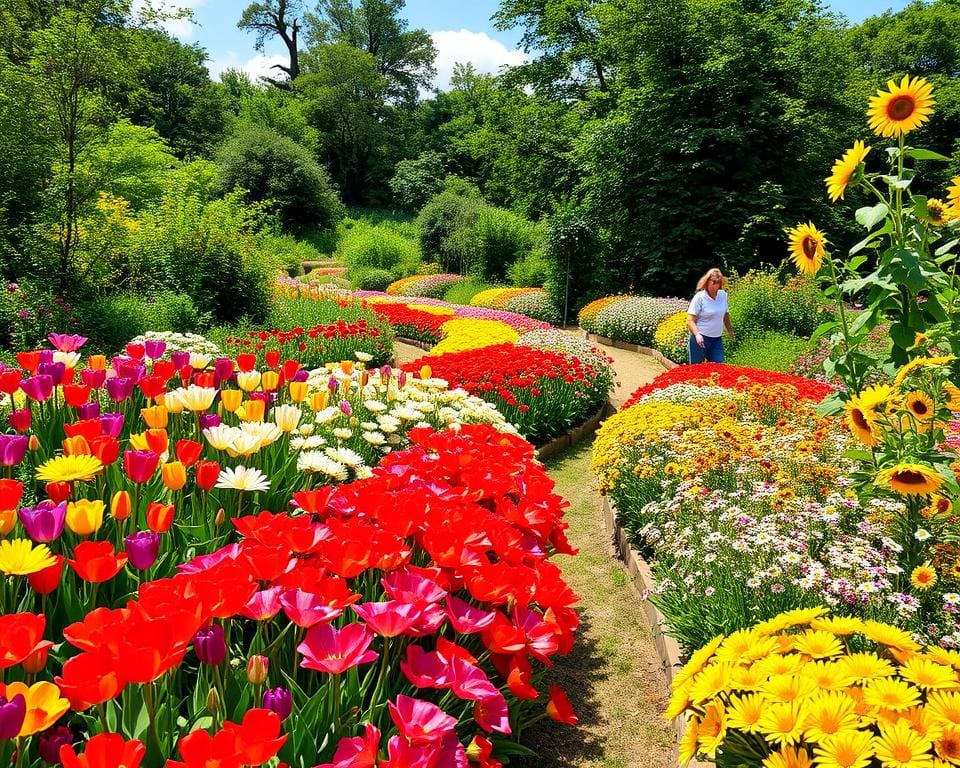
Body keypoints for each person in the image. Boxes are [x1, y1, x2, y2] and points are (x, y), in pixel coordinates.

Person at [687, 268, 735, 364]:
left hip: (716, 339)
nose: (716, 284)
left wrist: (730, 331)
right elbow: (690, 320)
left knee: (719, 366)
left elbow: (725, 315)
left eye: (718, 281)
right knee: (696, 369)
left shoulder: (723, 295)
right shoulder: (699, 297)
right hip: (700, 340)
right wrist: (697, 334)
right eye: (713, 281)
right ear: (707, 281)